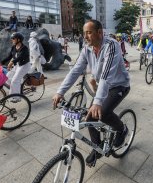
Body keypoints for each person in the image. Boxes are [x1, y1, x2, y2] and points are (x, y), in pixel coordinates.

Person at [52, 19, 130, 167]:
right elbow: (76, 70)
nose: (85, 36)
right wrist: (60, 92)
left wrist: (97, 102)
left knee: (102, 112)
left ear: (99, 32)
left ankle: (122, 129)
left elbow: (106, 75)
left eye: (89, 32)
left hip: (119, 85)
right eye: (84, 33)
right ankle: (97, 147)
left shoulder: (111, 46)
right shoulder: (87, 49)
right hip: (103, 85)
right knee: (90, 116)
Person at [1, 33, 30, 98]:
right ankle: (17, 87)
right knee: (7, 77)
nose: (12, 40)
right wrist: (1, 62)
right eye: (12, 38)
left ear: (18, 39)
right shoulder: (14, 47)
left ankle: (16, 97)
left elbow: (20, 57)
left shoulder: (24, 48)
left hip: (24, 66)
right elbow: (9, 56)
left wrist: (11, 63)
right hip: (17, 65)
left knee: (14, 80)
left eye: (13, 38)